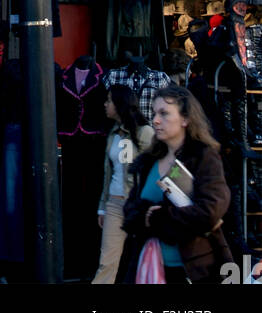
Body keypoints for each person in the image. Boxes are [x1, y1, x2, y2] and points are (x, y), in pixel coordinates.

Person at [119, 84, 232, 285]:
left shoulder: (204, 157)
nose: (155, 120)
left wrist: (159, 218)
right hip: (148, 268)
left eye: (164, 113)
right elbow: (130, 208)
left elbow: (211, 210)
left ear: (185, 119)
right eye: (154, 113)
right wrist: (143, 215)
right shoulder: (148, 161)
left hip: (195, 271)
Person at [92, 85, 153, 284]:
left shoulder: (145, 132)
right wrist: (102, 206)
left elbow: (155, 169)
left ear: (120, 104)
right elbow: (108, 173)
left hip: (137, 205)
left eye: (109, 100)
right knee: (107, 262)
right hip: (115, 204)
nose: (105, 104)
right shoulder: (113, 134)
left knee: (143, 261)